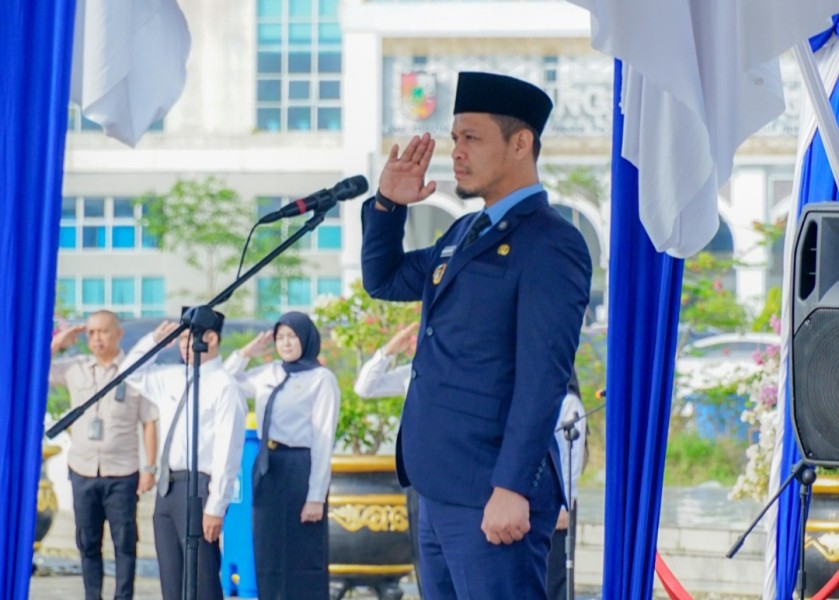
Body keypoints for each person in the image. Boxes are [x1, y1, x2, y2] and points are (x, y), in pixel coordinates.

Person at [360, 71, 592, 599]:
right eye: (454, 138)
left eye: (471, 138)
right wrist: (388, 207)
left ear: (520, 143)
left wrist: (512, 486)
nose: (456, 152)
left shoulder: (551, 243)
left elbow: (543, 376)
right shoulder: (465, 231)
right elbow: (386, 278)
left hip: (492, 493)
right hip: (436, 485)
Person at [121, 311, 246, 600]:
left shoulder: (225, 386)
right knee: (172, 578)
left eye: (187, 338)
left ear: (211, 339)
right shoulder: (172, 377)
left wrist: (216, 504)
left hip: (200, 488)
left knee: (201, 579)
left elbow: (228, 451)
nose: (182, 345)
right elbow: (130, 373)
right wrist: (153, 341)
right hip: (168, 487)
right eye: (179, 340)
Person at [224, 311, 340, 600]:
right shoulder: (269, 372)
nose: (286, 343)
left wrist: (316, 496)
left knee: (302, 554)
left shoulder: (321, 379)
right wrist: (245, 353)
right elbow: (226, 381)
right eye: (280, 337)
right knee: (268, 550)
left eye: (292, 336)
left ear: (307, 339)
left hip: (300, 466)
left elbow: (324, 439)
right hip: (267, 466)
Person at [49, 311, 159, 600]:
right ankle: (92, 596)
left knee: (124, 542)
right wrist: (58, 343)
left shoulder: (134, 372)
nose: (96, 338)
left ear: (119, 334)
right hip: (83, 470)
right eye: (91, 333)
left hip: (122, 473)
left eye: (103, 332)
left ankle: (123, 597)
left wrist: (149, 467)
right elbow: (35, 369)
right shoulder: (76, 368)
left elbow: (149, 421)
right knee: (87, 541)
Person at [353, 322, 422, 595]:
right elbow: (364, 387)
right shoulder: (410, 373)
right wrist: (390, 349)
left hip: (456, 474)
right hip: (417, 474)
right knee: (423, 556)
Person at [547, 371, 587, 600]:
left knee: (556, 576)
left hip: (560, 501)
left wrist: (565, 503)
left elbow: (571, 457)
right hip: (540, 501)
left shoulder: (569, 403)